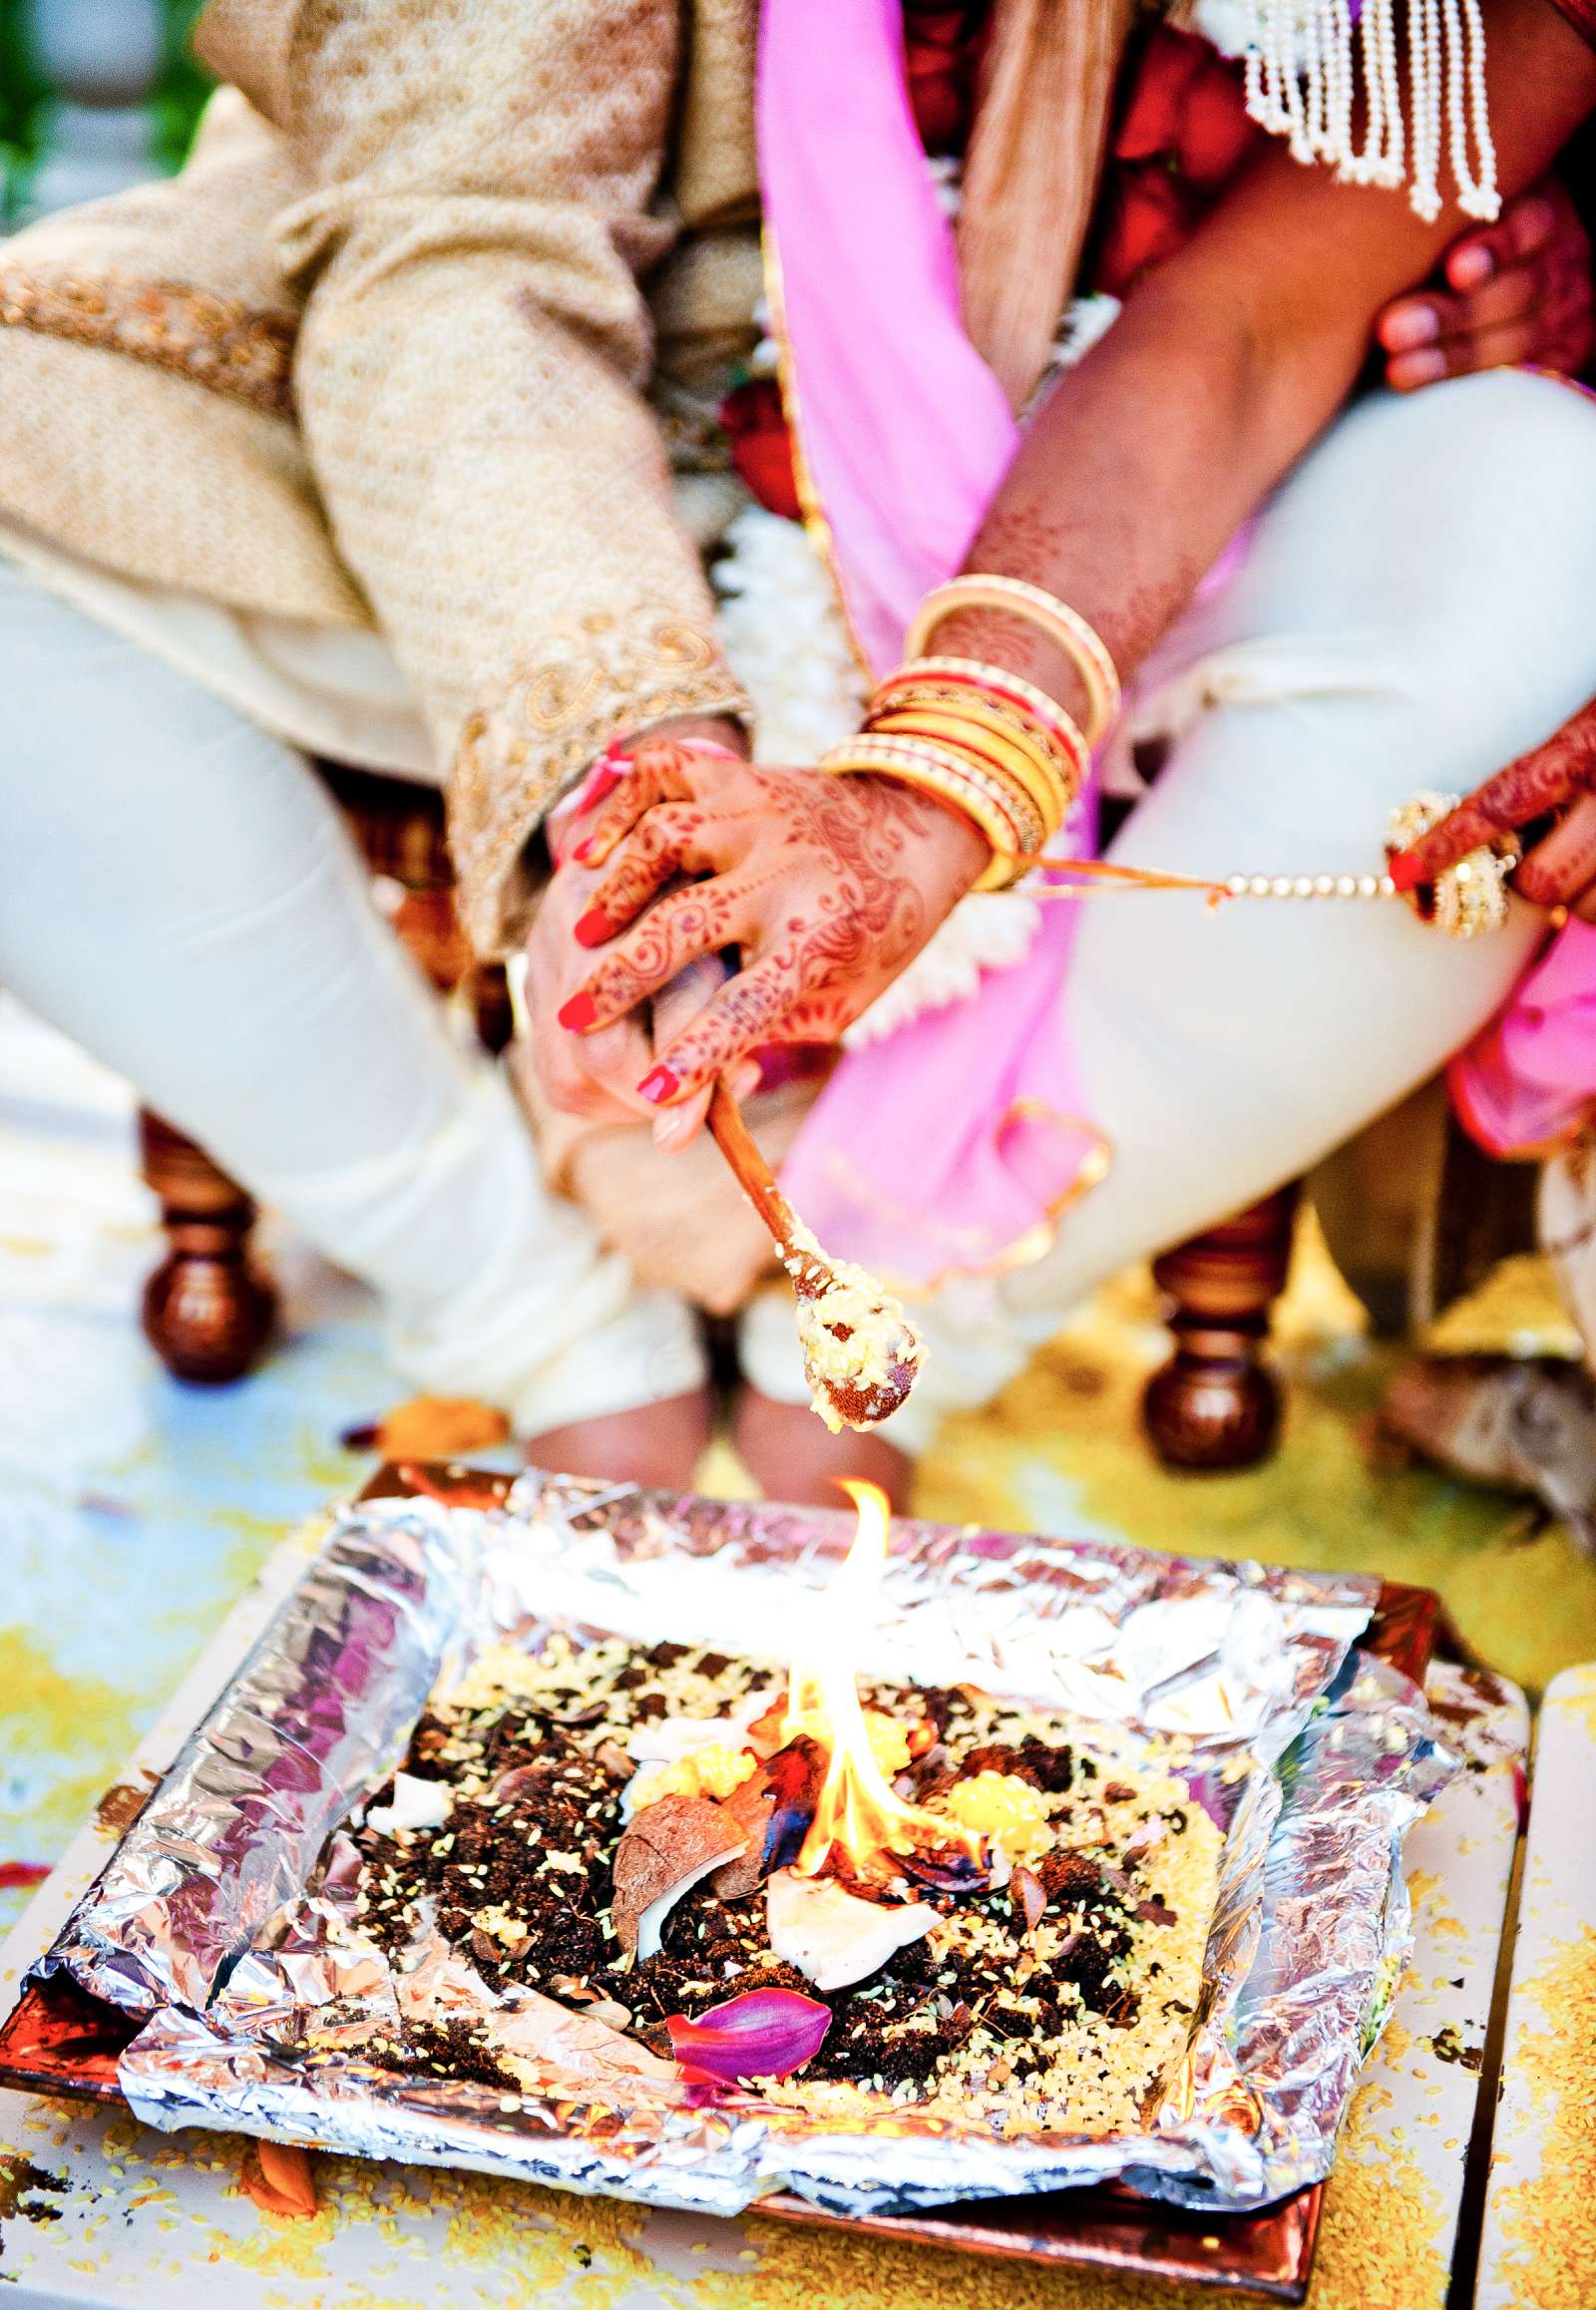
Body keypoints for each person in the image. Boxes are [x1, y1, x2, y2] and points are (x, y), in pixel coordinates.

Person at [0, 0, 1592, 1507]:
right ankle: (531, 1316)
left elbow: (1245, 321)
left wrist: (932, 783)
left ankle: (896, 1311)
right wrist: (633, 780)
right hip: (564, 467)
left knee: (1554, 538)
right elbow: (457, 265)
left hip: (1169, 495)